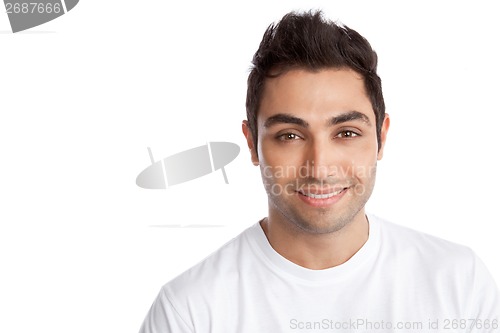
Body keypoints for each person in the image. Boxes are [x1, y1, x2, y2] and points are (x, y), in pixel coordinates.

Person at [139, 10, 500, 332]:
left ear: (381, 138)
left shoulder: (458, 282)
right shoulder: (189, 312)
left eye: (346, 133)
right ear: (252, 144)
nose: (320, 166)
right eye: (290, 135)